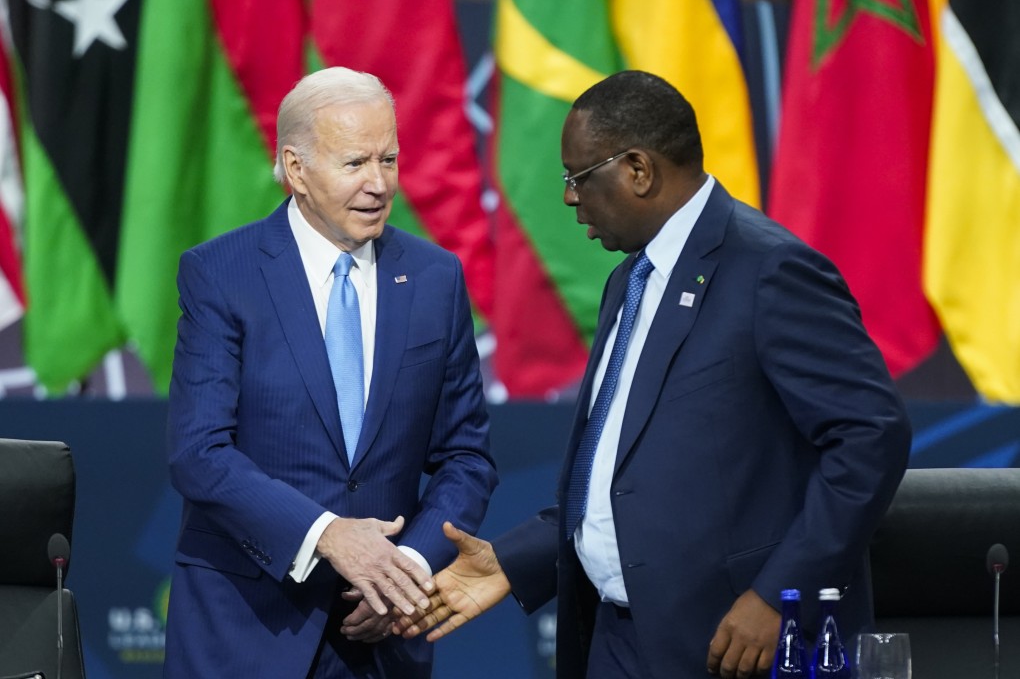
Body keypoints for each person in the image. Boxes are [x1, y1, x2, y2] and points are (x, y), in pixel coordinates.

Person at [395, 70, 911, 679]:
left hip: (731, 643)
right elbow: (621, 472)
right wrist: (513, 562)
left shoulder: (770, 270)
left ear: (638, 169)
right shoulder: (629, 281)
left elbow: (871, 436)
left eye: (578, 177)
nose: (568, 197)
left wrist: (779, 595)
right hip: (616, 639)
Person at [163, 66, 498, 679]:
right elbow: (198, 452)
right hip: (247, 624)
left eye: (389, 159)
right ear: (296, 169)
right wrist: (326, 535)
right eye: (355, 164)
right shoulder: (222, 274)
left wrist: (406, 573)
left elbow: (466, 457)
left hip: (381, 636)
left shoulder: (434, 278)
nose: (378, 184)